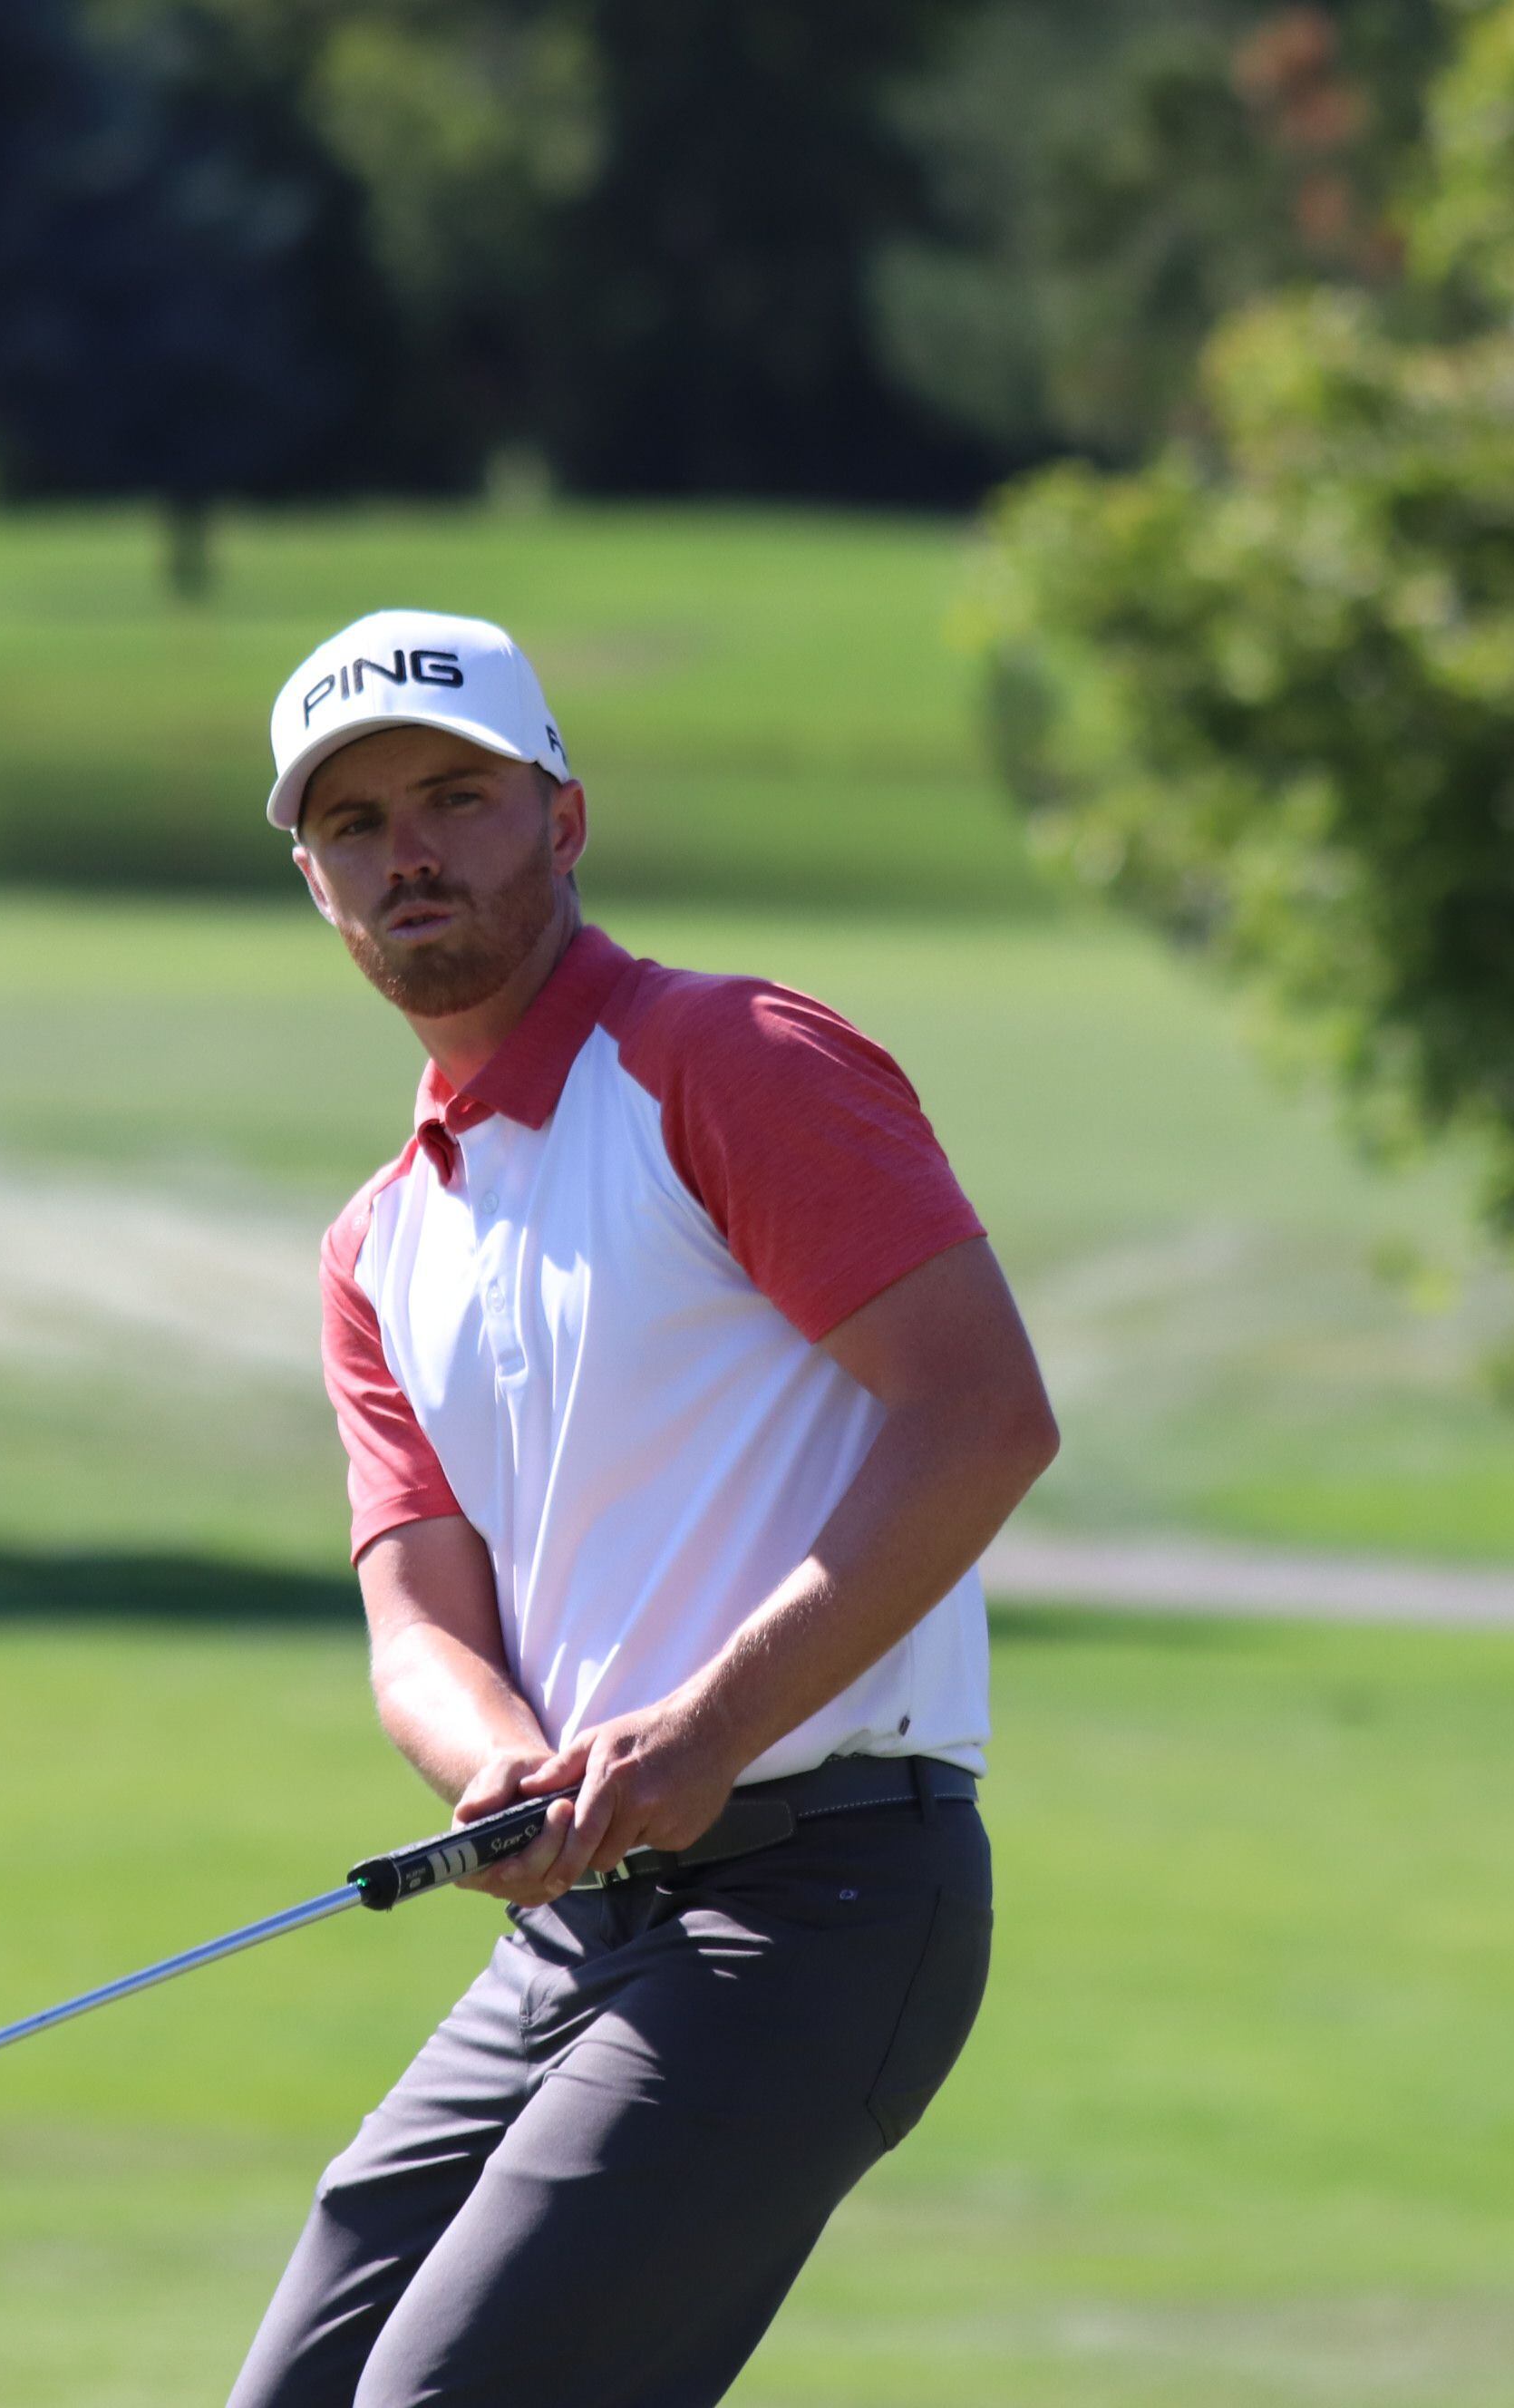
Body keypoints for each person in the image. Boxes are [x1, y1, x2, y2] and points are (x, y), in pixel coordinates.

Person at [228, 610, 1063, 2408]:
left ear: (566, 818)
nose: (411, 850)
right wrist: (497, 1760)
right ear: (316, 880)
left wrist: (704, 1729)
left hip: (825, 1892)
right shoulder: (382, 1240)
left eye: (457, 795)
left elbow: (983, 1415)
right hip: (588, 1913)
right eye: (357, 823)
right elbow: (419, 1622)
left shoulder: (726, 1060)